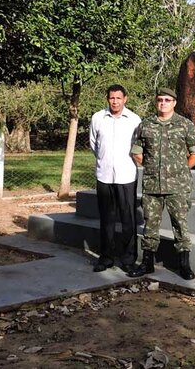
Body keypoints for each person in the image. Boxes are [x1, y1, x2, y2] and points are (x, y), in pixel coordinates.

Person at [128, 87, 195, 280]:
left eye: (167, 100)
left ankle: (184, 264)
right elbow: (137, 152)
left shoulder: (185, 125)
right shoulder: (146, 125)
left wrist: (181, 170)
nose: (163, 103)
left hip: (178, 186)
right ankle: (147, 263)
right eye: (160, 100)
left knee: (180, 224)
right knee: (150, 224)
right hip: (152, 185)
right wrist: (153, 167)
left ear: (174, 103)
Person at [89, 84, 141, 273]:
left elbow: (138, 146)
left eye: (119, 98)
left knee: (128, 219)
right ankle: (106, 257)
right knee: (106, 219)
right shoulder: (98, 118)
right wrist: (104, 161)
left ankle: (128, 259)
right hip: (104, 176)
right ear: (107, 99)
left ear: (125, 99)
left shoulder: (134, 120)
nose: (115, 101)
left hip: (126, 175)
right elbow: (94, 144)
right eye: (112, 98)